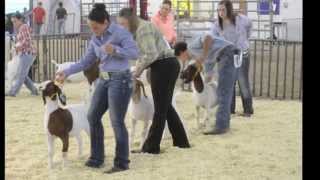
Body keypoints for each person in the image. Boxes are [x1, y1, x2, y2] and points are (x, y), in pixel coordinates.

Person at [55, 4, 139, 174]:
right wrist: (66, 71)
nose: (93, 30)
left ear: (106, 22)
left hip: (121, 79)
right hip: (104, 78)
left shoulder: (120, 33)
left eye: (96, 27)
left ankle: (122, 162)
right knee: (92, 115)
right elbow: (85, 62)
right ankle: (97, 158)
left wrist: (115, 49)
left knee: (116, 121)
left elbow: (135, 53)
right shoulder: (95, 39)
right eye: (91, 27)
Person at [117, 8, 190, 154]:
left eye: (123, 24)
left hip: (163, 66)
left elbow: (151, 54)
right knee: (165, 107)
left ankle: (151, 147)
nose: (122, 27)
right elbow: (146, 55)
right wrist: (138, 68)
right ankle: (182, 142)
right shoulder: (142, 28)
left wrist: (136, 71)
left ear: (130, 20)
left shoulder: (143, 29)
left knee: (160, 109)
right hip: (167, 65)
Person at [174, 32, 239, 135]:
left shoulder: (192, 47)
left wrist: (204, 56)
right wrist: (208, 75)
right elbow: (209, 61)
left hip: (226, 53)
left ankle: (221, 126)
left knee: (223, 91)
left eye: (181, 58)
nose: (183, 60)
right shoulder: (196, 57)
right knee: (223, 89)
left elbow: (207, 37)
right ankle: (223, 124)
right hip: (225, 55)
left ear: (182, 53)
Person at [211, 0, 254, 116]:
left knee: (242, 81)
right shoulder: (216, 25)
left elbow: (250, 25)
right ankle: (230, 109)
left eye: (223, 9)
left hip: (242, 54)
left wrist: (245, 39)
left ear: (229, 9)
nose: (221, 12)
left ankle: (248, 110)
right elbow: (213, 39)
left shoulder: (241, 19)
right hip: (226, 56)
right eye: (219, 10)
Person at [5, 13, 38, 97]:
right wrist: (17, 47)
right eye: (13, 22)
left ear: (20, 20)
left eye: (15, 21)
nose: (14, 24)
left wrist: (17, 47)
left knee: (21, 74)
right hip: (25, 53)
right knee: (23, 75)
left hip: (28, 53)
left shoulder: (24, 27)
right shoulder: (21, 28)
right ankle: (34, 90)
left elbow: (27, 40)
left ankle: (13, 92)